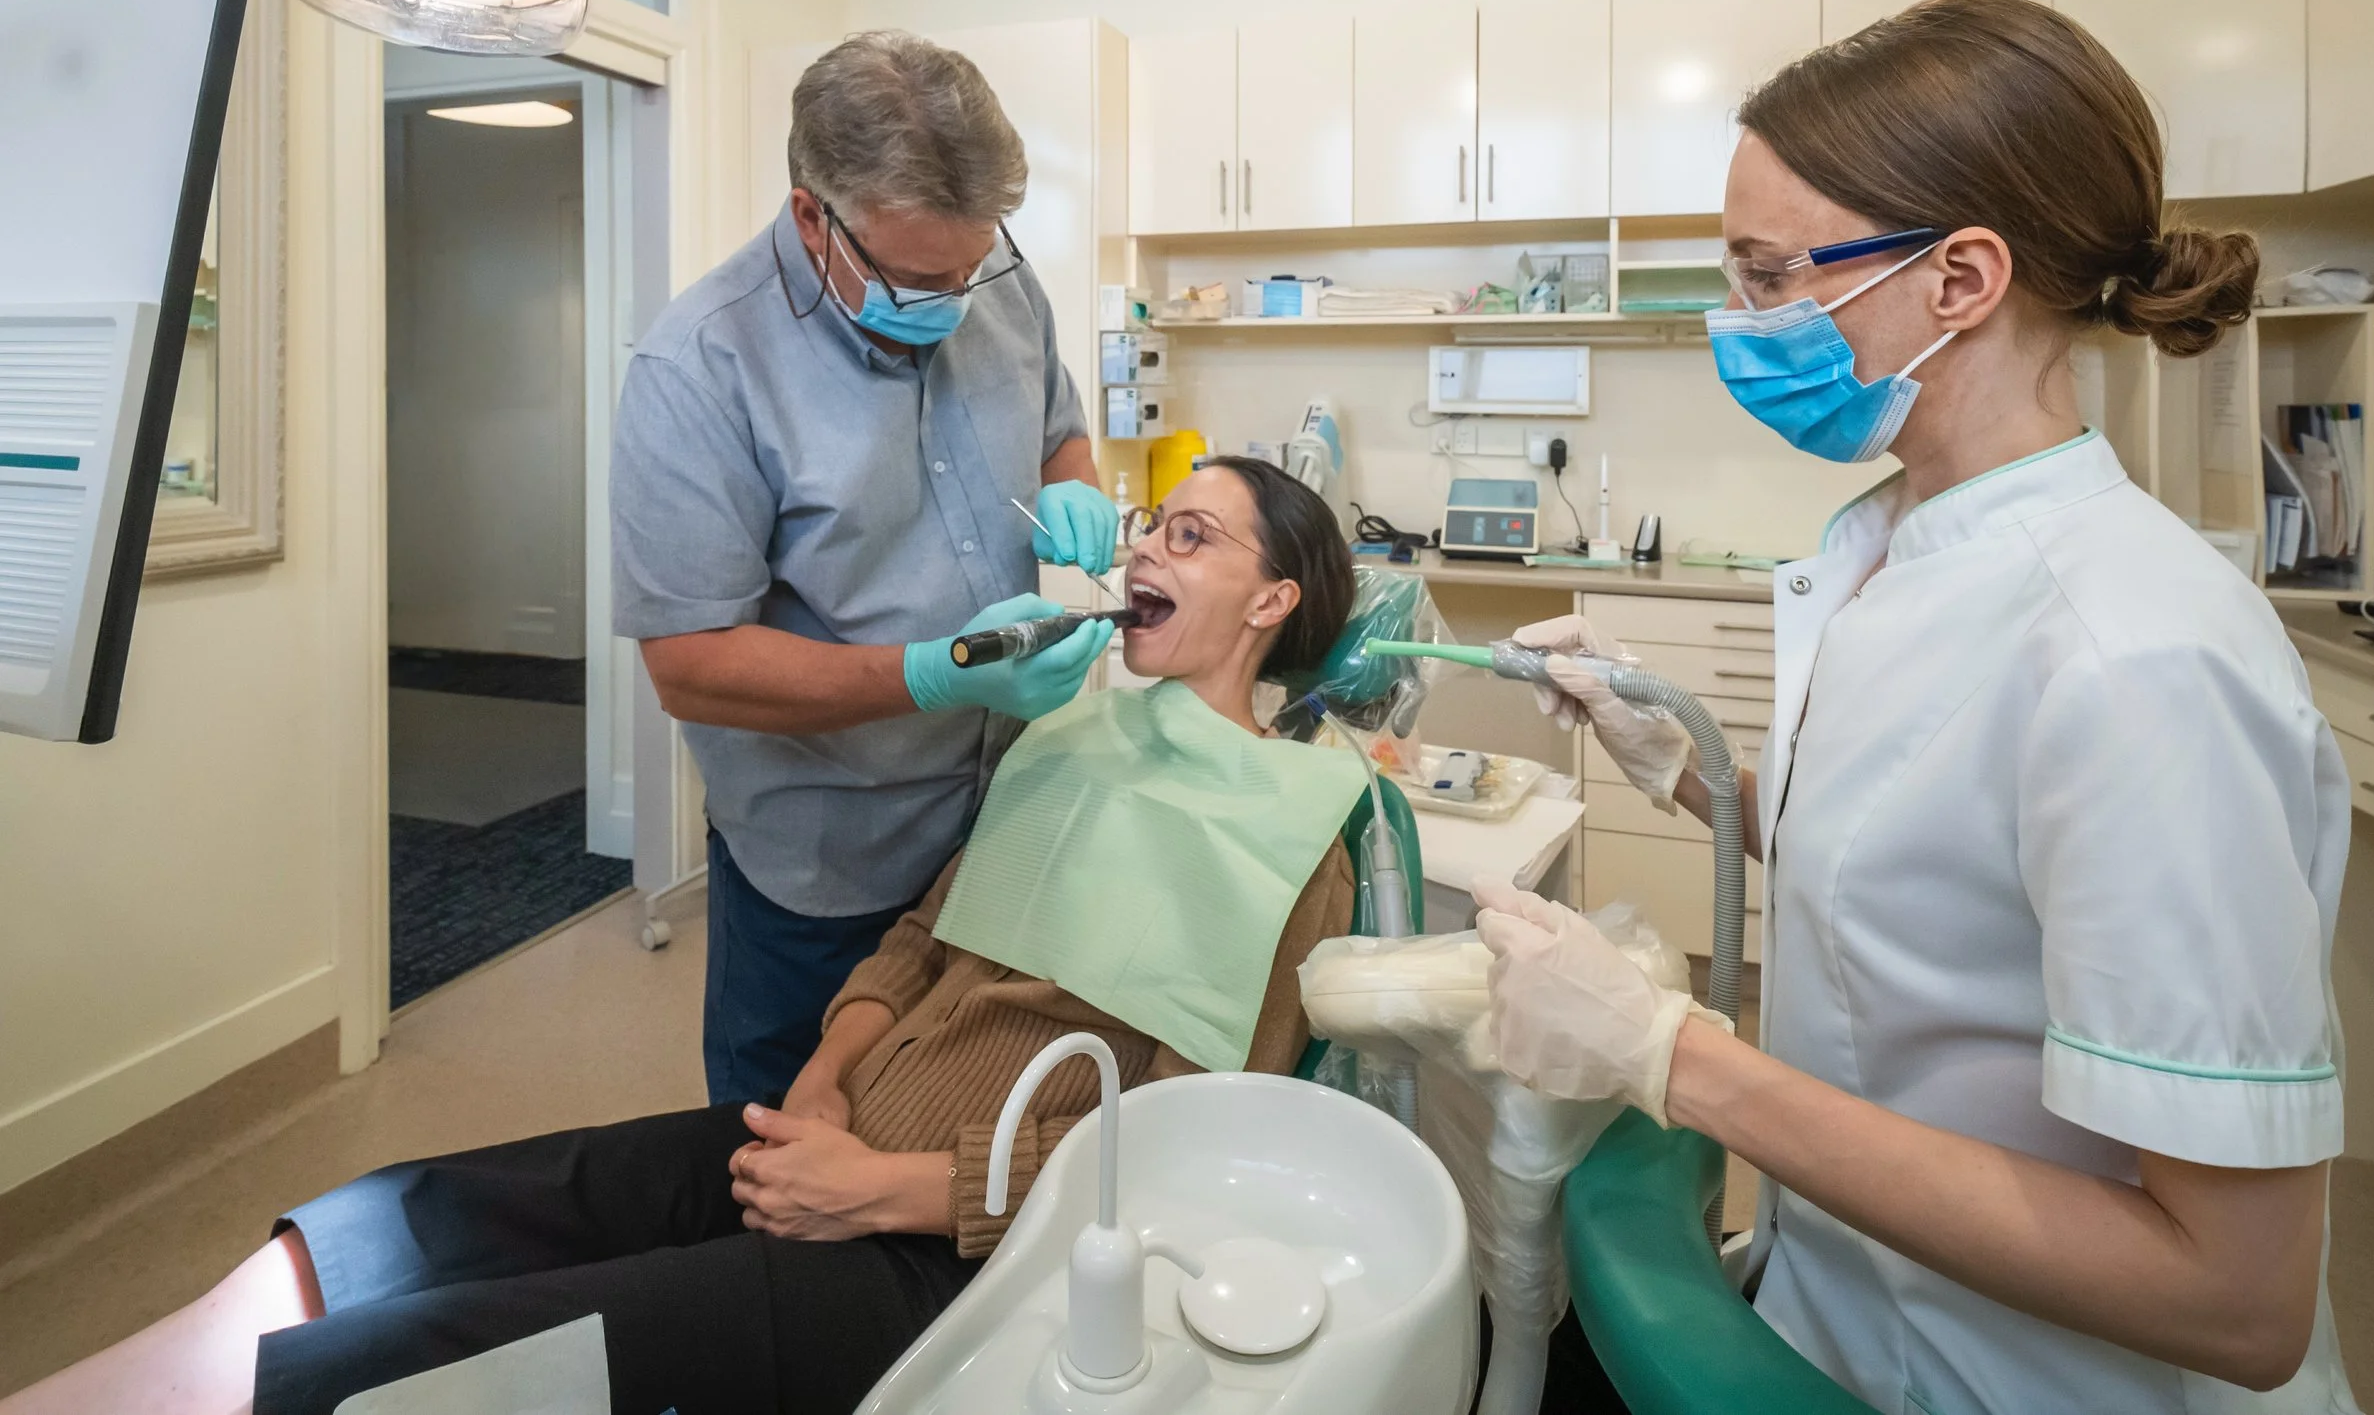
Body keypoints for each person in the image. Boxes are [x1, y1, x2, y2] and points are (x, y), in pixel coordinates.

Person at [4, 460, 1363, 1415]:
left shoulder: (1298, 840)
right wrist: (826, 1079)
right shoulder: (1069, 736)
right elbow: (920, 935)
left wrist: (891, 1190)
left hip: (962, 1247)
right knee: (433, 1204)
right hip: (814, 1135)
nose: (1141, 552)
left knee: (451, 1351)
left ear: (1272, 603)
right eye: (1150, 525)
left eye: (1190, 538)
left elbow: (1185, 1146)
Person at [1477, 0, 2359, 1413]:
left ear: (1961, 280)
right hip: (1849, 1313)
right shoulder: (1895, 542)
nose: (1740, 321)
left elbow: (2237, 1292)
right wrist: (1682, 762)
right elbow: (1929, 896)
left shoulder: (2137, 655)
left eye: (1770, 278)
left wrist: (1673, 1056)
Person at [610, 29, 1124, 1107]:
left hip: (1007, 814)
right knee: (783, 1158)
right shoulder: (698, 368)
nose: (952, 298)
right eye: (915, 275)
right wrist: (933, 673)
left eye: (970, 265)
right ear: (814, 215)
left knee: (958, 1109)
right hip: (829, 857)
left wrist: (1076, 482)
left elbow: (1058, 431)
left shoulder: (1001, 287)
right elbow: (690, 665)